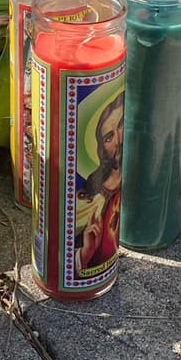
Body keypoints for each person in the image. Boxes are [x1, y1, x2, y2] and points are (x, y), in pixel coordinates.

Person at [74, 92, 124, 276]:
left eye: (121, 125)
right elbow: (63, 256)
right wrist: (87, 252)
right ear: (102, 148)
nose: (118, 141)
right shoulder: (89, 200)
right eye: (109, 137)